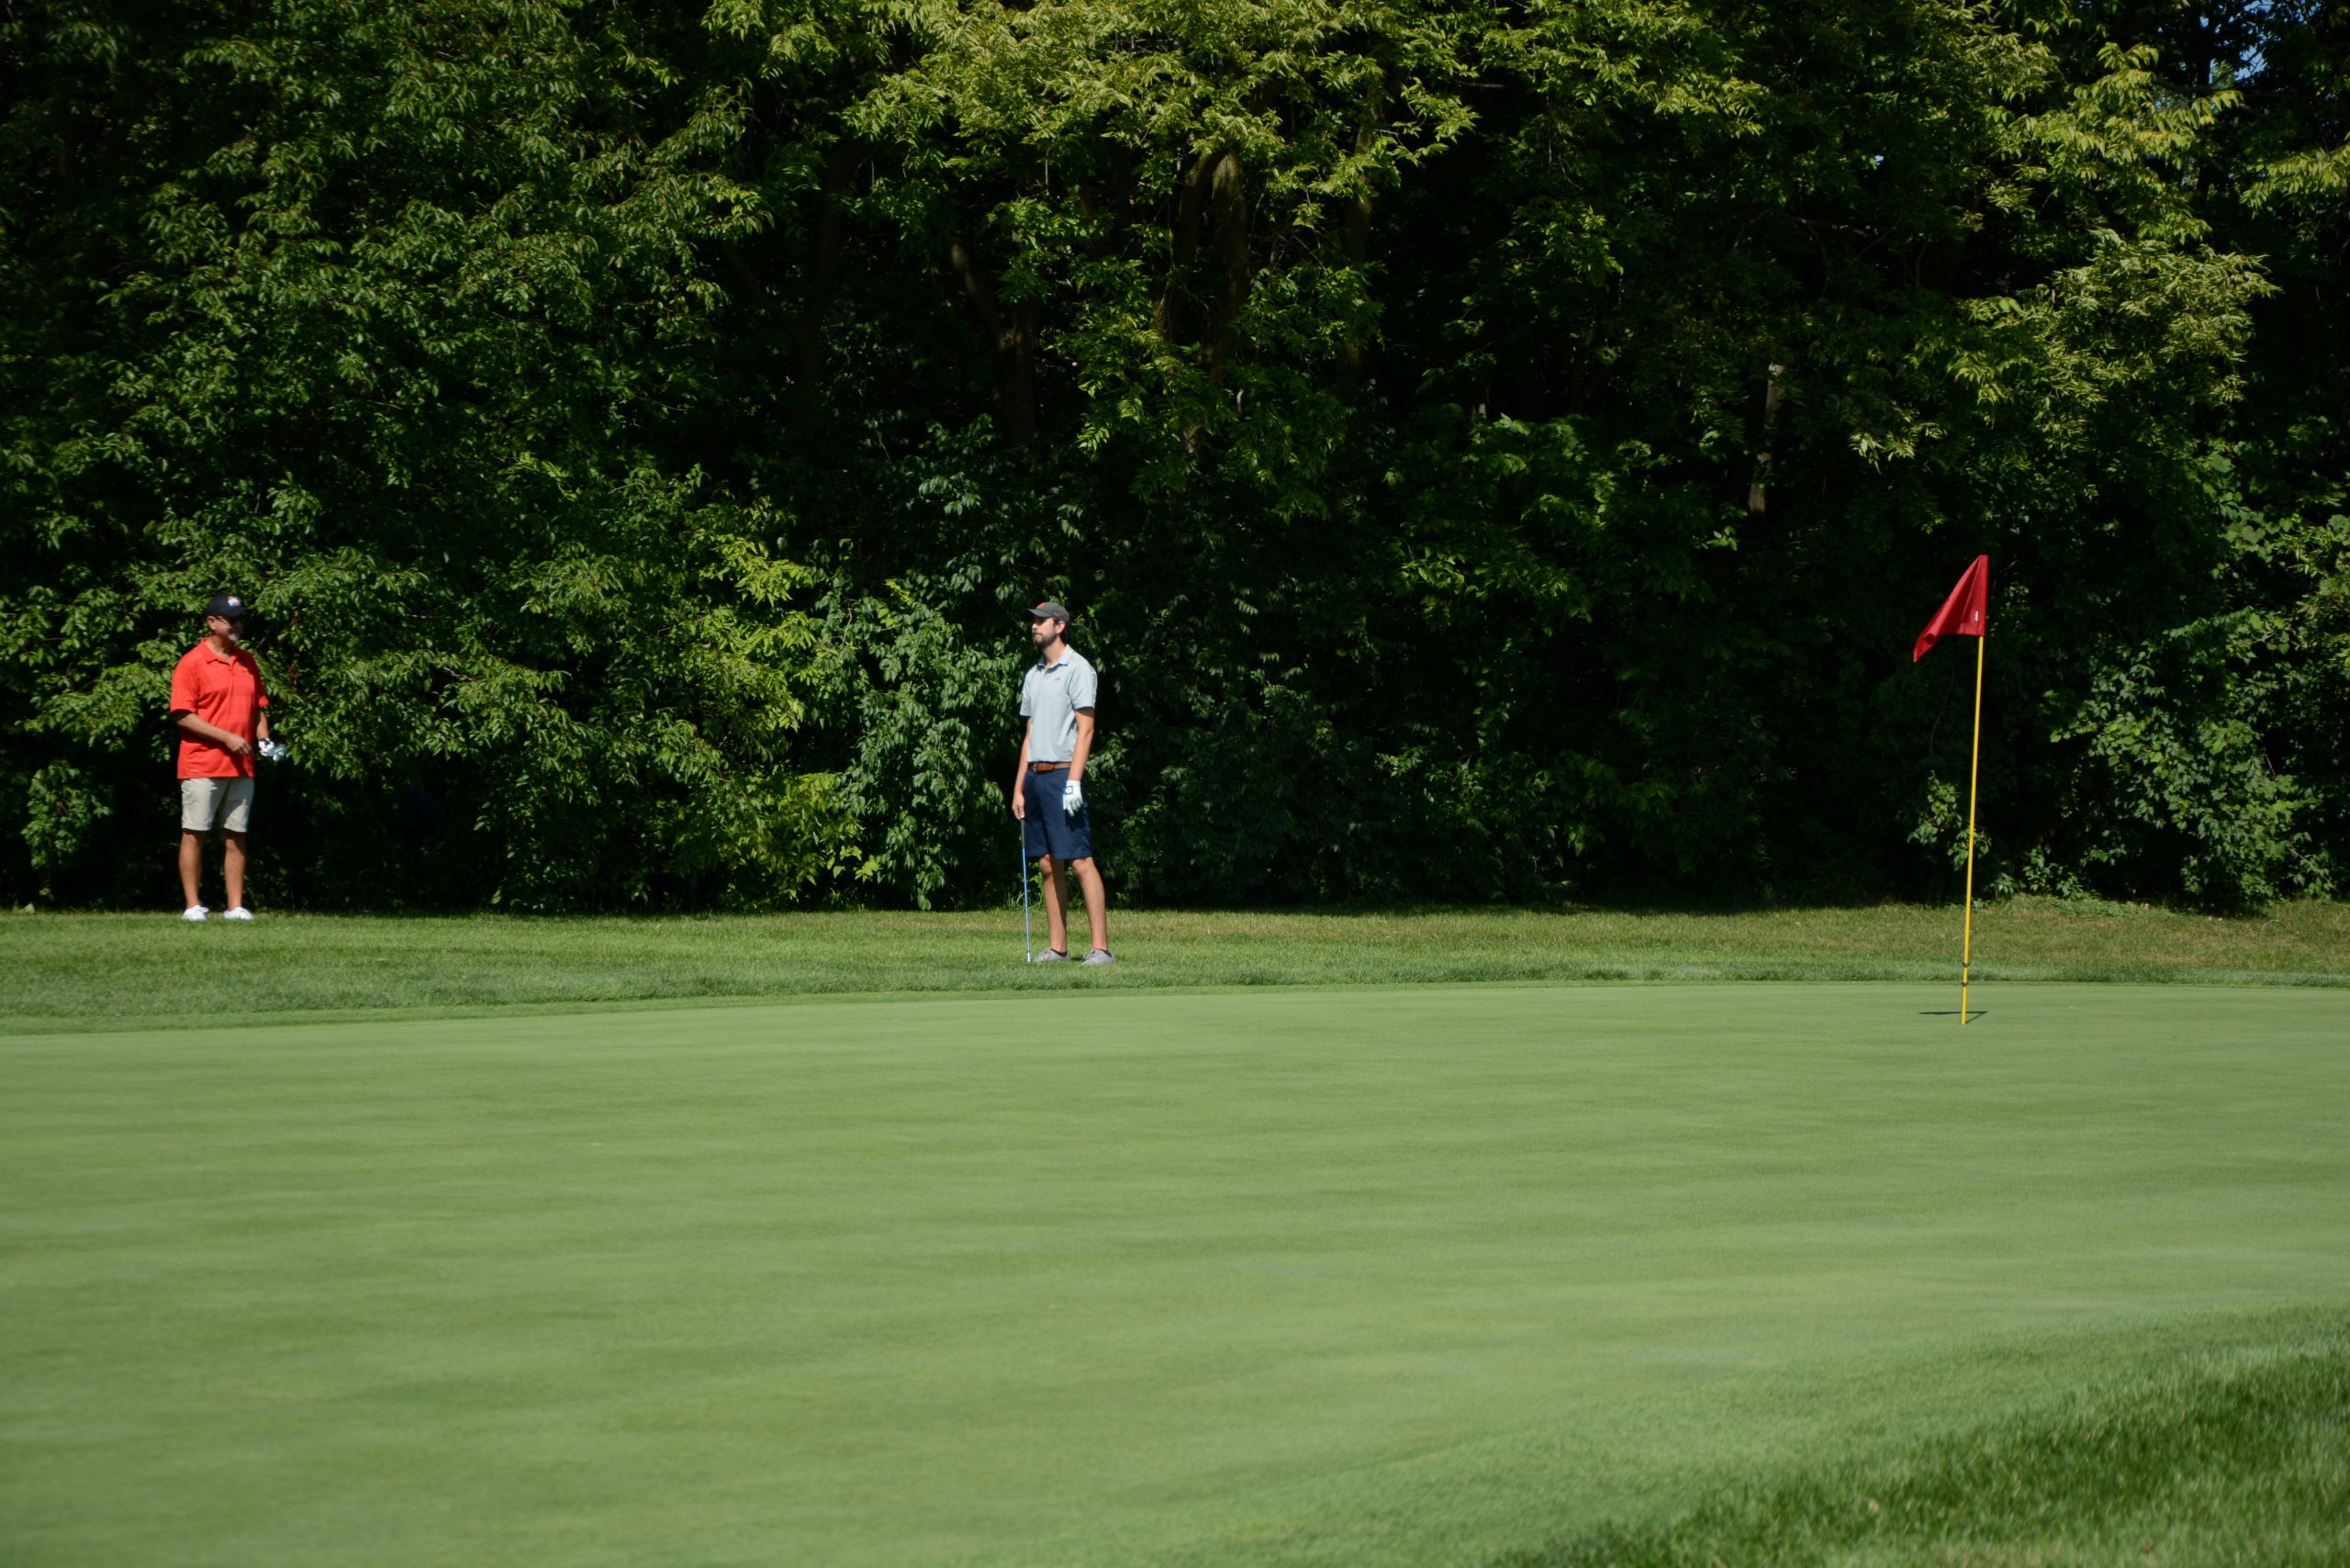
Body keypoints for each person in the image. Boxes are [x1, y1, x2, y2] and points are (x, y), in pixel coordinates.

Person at [1012, 600, 1113, 963]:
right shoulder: (1034, 675)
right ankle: (1058, 948)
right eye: (1033, 621)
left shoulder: (1078, 668)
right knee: (1046, 862)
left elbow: (1086, 730)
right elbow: (1030, 733)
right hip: (1035, 777)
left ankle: (1101, 949)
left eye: (1041, 621)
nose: (1034, 626)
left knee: (1080, 860)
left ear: (1059, 625)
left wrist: (1074, 782)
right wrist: (1018, 787)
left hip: (1062, 775)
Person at [169, 592, 272, 921]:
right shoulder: (192, 662)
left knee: (236, 836)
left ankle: (234, 907)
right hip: (202, 763)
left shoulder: (247, 661)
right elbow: (183, 715)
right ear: (212, 622)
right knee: (194, 832)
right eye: (232, 620)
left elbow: (258, 708)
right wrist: (227, 737)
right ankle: (192, 906)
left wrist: (264, 739)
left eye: (241, 619)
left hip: (242, 766)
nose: (238, 625)